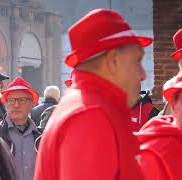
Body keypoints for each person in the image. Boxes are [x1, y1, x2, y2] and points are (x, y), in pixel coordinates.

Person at [34, 9, 152, 180]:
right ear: (113, 61)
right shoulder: (91, 116)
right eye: (137, 61)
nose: (143, 74)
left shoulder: (91, 109)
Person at [0, 77, 41, 180]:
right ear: (5, 104)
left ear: (32, 104)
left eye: (22, 100)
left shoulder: (41, 137)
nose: (16, 105)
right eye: (11, 100)